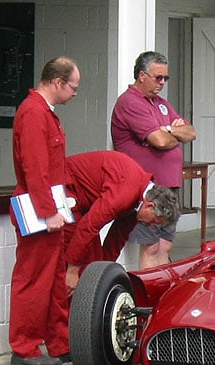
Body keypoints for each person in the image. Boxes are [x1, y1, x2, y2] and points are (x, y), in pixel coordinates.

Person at [9, 56, 80, 365]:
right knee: (34, 280)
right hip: (40, 212)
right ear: (58, 82)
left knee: (53, 280)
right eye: (73, 87)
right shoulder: (34, 113)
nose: (75, 93)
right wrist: (48, 211)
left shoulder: (44, 113)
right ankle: (24, 348)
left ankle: (58, 342)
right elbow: (34, 168)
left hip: (50, 209)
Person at [111, 51, 196, 269]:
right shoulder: (130, 102)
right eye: (158, 77)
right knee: (150, 246)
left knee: (165, 246)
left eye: (165, 78)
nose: (162, 83)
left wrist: (167, 129)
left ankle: (162, 292)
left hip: (169, 185)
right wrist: (171, 133)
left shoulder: (161, 103)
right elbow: (159, 141)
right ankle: (148, 296)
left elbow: (191, 133)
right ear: (141, 75)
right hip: (147, 188)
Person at [62, 151, 181, 296]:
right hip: (65, 186)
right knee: (84, 262)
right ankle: (72, 314)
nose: (151, 226)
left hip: (83, 196)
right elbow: (88, 226)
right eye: (154, 221)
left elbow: (116, 240)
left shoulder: (138, 204)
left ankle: (91, 306)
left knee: (95, 262)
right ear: (150, 205)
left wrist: (102, 275)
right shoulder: (123, 195)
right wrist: (72, 270)